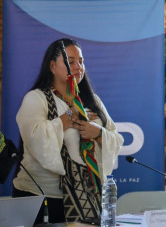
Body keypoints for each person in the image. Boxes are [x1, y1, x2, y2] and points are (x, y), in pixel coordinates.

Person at [12, 38, 124, 224]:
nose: (78, 66)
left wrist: (97, 133)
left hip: (85, 197)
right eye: (70, 61)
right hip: (41, 198)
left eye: (81, 61)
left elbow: (116, 138)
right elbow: (35, 139)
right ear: (52, 65)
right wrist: (66, 118)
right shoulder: (36, 98)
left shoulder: (91, 100)